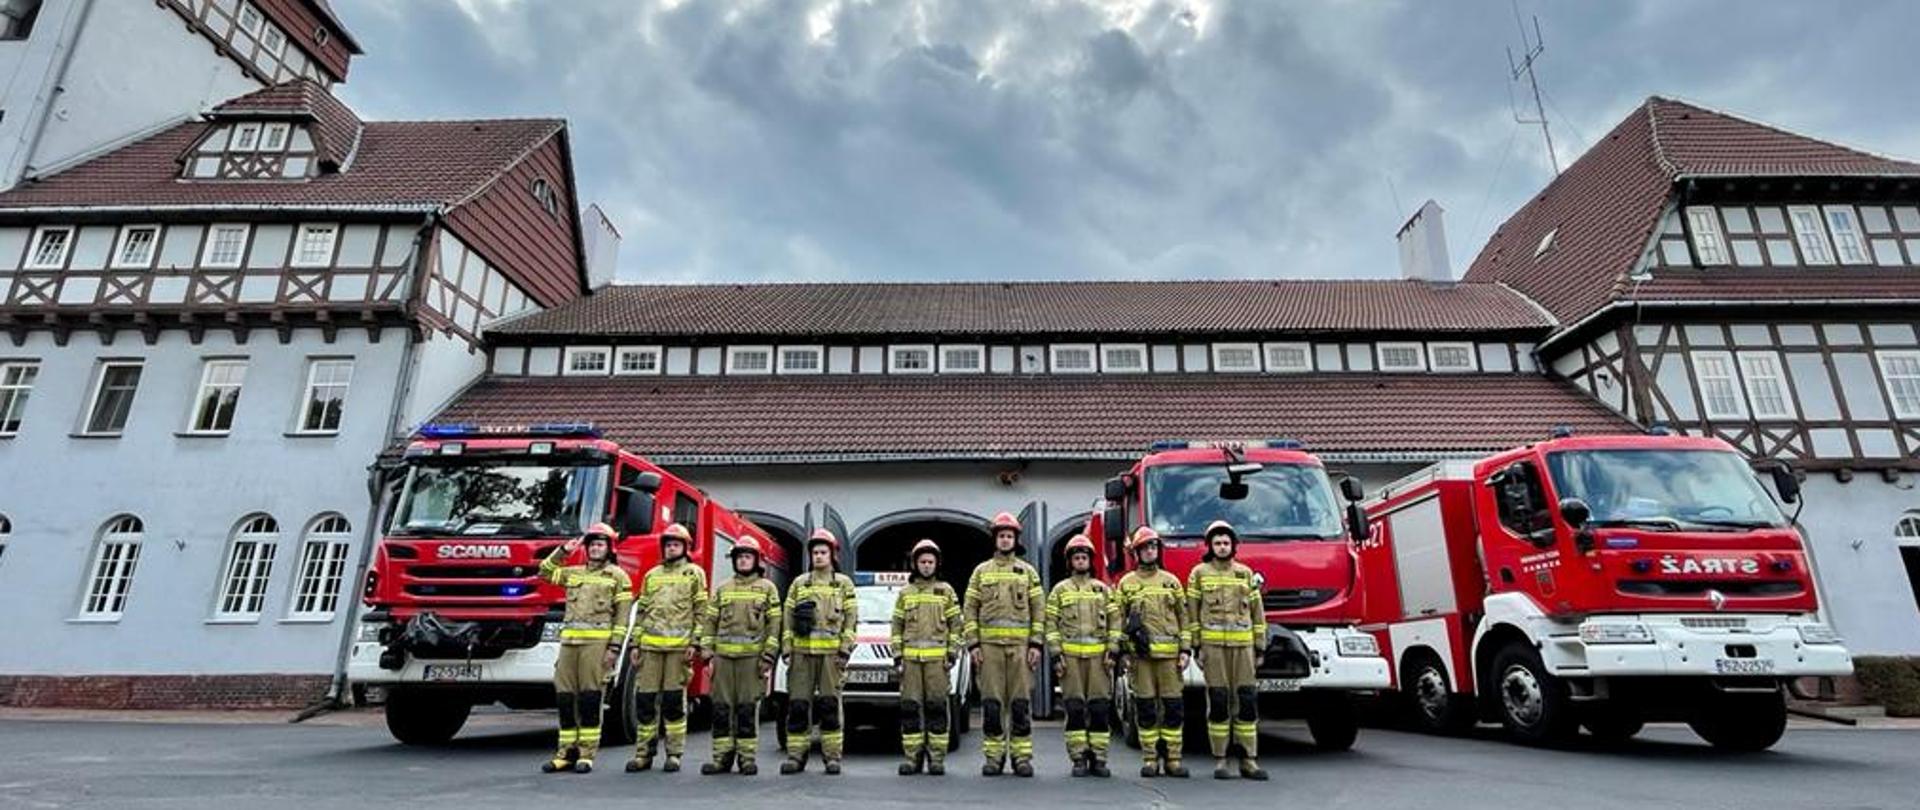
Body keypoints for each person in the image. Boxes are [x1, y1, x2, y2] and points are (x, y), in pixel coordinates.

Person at [537, 523, 631, 774]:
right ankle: (565, 753)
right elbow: (544, 572)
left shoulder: (618, 577)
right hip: (569, 646)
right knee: (565, 698)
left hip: (597, 647)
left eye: (600, 544)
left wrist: (614, 648)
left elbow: (622, 618)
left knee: (590, 698)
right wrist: (562, 551)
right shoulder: (573, 573)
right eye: (592, 544)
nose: (595, 548)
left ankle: (586, 754)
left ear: (609, 548)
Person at [962, 511, 1044, 777]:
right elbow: (970, 610)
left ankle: (1021, 758)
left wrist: (1036, 645)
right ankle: (994, 757)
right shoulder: (980, 572)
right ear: (995, 539)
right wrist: (974, 645)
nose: (1005, 540)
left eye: (1009, 536)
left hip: (1020, 649)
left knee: (1020, 704)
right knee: (992, 705)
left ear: (1016, 539)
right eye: (1001, 536)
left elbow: (1038, 611)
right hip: (989, 649)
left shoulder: (1028, 572)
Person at [625, 523, 709, 774]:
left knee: (673, 702)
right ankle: (643, 754)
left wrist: (695, 642)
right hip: (650, 648)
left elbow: (701, 612)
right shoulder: (652, 575)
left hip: (678, 650)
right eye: (668, 544)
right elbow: (641, 611)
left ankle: (674, 754)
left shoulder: (694, 574)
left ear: (685, 547)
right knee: (645, 702)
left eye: (676, 544)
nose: (671, 548)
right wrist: (635, 643)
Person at [1189, 521, 1269, 780]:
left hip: (1243, 648)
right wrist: (1196, 646)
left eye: (1226, 543)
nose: (1222, 547)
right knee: (1219, 702)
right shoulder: (1199, 573)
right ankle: (1221, 759)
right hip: (1213, 649)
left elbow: (1258, 613)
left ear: (1233, 546)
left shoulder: (1245, 574)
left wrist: (1259, 647)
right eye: (1217, 543)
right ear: (1210, 546)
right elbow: (1192, 612)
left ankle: (1249, 760)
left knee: (1246, 701)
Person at [698, 535, 783, 776]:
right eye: (739, 557)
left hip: (751, 661)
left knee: (747, 709)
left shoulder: (768, 589)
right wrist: (707, 656)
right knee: (721, 709)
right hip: (723, 660)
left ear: (756, 561)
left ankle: (746, 759)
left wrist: (768, 657)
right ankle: (720, 759)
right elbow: (709, 623)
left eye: (747, 557)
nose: (743, 561)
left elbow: (774, 624)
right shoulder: (723, 589)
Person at [1113, 526, 1190, 778]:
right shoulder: (1126, 583)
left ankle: (1173, 759)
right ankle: (1150, 759)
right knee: (1145, 708)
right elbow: (1117, 620)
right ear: (1136, 552)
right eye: (1145, 547)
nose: (1150, 551)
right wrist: (1123, 650)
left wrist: (1185, 650)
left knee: (1173, 708)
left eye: (1154, 547)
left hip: (1170, 658)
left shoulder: (1172, 582)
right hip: (1140, 658)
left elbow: (1184, 618)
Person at [781, 528, 858, 775]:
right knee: (798, 706)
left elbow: (851, 621)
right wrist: (786, 649)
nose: (819, 556)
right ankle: (795, 757)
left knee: (829, 707)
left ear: (832, 554)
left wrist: (844, 650)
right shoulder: (799, 584)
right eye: (815, 552)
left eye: (823, 552)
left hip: (831, 658)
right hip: (801, 655)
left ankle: (832, 757)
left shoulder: (843, 584)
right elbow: (787, 620)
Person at [1045, 533, 1114, 778]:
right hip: (1071, 661)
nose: (1081, 561)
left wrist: (1113, 651)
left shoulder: (1102, 590)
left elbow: (1115, 622)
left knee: (1099, 709)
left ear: (1090, 560)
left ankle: (1100, 758)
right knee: (1074, 709)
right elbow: (1050, 624)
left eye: (1084, 557)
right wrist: (1056, 655)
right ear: (1070, 562)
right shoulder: (1059, 591)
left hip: (1099, 661)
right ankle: (1079, 758)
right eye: (1077, 557)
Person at [892, 539, 962, 776]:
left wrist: (952, 653)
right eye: (922, 561)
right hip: (911, 662)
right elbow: (896, 627)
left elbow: (956, 625)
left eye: (930, 562)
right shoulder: (905, 593)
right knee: (910, 709)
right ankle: (912, 759)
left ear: (937, 564)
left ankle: (937, 759)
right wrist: (897, 656)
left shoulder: (946, 591)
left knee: (937, 708)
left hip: (937, 663)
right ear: (915, 564)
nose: (926, 566)